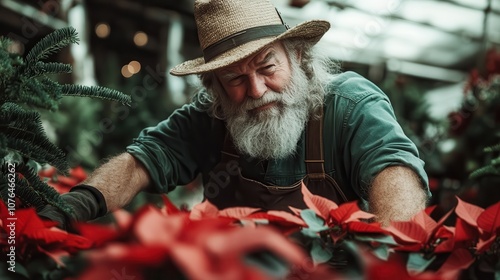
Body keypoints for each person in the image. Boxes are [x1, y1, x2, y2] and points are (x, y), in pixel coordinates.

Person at [39, 0, 430, 229]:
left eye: (267, 67)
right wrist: (72, 207)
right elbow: (143, 160)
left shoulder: (348, 104)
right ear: (215, 87)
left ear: (295, 54)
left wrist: (392, 248)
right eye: (235, 78)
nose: (256, 91)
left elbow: (393, 170)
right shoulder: (211, 117)